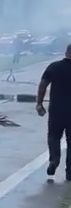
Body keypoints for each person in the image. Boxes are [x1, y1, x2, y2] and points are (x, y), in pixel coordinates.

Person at [36, 44, 71, 182]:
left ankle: (54, 160)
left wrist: (39, 103)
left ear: (66, 52)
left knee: (54, 136)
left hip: (56, 109)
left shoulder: (54, 67)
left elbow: (43, 85)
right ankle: (70, 173)